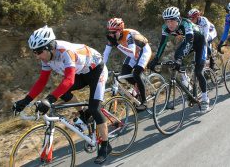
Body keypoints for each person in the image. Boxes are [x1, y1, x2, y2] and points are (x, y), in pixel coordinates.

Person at [12, 26, 111, 164]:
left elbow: (69, 80)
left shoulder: (65, 52)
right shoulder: (46, 58)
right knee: (61, 91)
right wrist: (25, 100)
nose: (37, 56)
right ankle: (83, 114)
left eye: (39, 52)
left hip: (97, 70)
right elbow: (42, 81)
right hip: (81, 72)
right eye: (34, 52)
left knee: (95, 108)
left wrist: (49, 100)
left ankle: (105, 147)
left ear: (50, 47)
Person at [148, 6, 209, 113]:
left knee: (198, 72)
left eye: (172, 21)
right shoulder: (165, 28)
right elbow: (162, 44)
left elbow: (189, 41)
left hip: (200, 43)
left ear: (178, 19)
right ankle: (187, 84)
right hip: (189, 43)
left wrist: (180, 59)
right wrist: (156, 59)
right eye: (167, 21)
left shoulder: (186, 23)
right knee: (176, 57)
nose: (169, 24)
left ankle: (205, 99)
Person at [103, 18, 151, 111]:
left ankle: (144, 102)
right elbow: (106, 54)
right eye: (110, 32)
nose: (111, 34)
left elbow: (131, 53)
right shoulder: (112, 37)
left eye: (114, 32)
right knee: (125, 74)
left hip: (143, 51)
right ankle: (139, 87)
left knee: (136, 73)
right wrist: (101, 68)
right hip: (133, 54)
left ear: (120, 30)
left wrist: (117, 45)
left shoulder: (129, 35)